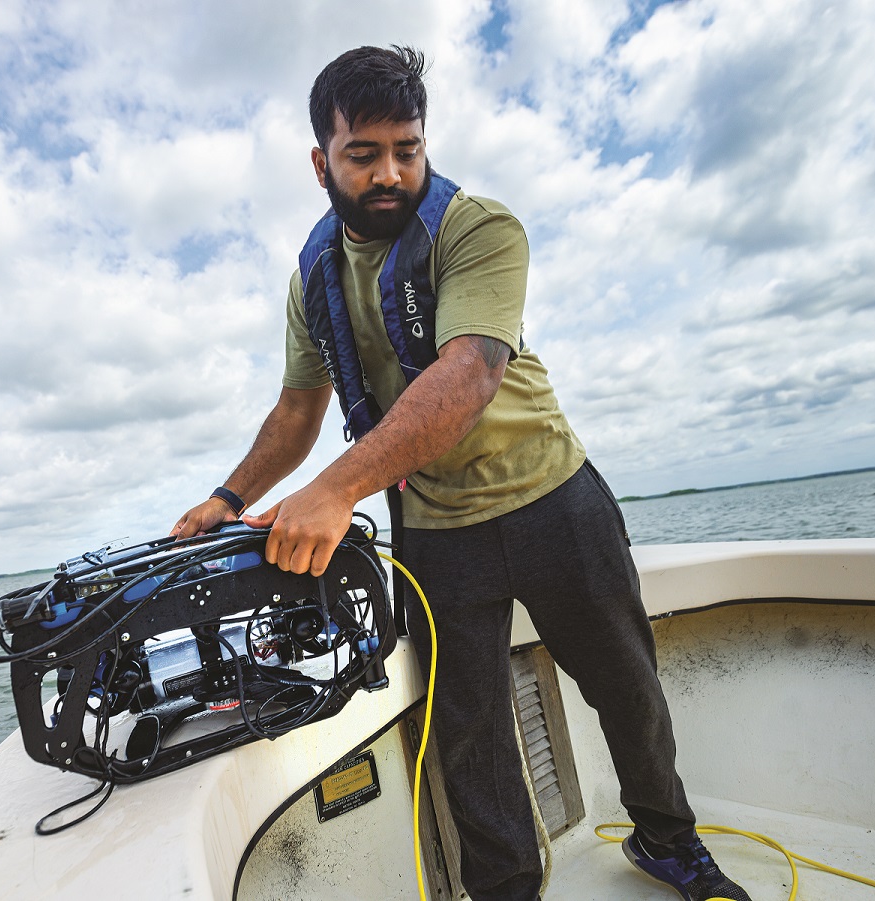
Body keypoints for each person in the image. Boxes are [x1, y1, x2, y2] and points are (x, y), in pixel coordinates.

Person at [173, 45, 752, 901]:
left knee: (627, 688)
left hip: (555, 497)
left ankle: (668, 841)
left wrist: (335, 490)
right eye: (362, 154)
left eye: (406, 148)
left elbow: (470, 372)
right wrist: (229, 499)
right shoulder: (313, 279)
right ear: (319, 162)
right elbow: (297, 411)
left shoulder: (479, 226)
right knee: (468, 737)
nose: (389, 172)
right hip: (438, 536)